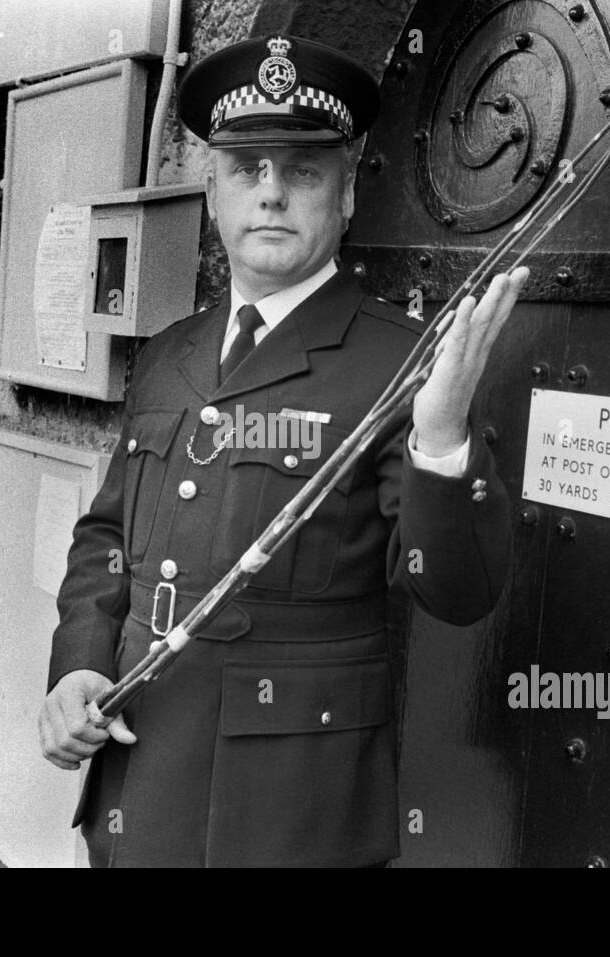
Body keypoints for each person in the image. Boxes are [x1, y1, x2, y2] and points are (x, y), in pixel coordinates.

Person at [38, 33, 528, 867]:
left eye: (302, 171)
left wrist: (442, 438)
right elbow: (106, 541)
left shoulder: (400, 363)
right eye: (246, 169)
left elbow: (458, 592)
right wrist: (77, 666)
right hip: (135, 781)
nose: (271, 195)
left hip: (289, 817)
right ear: (214, 195)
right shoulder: (168, 353)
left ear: (343, 198)